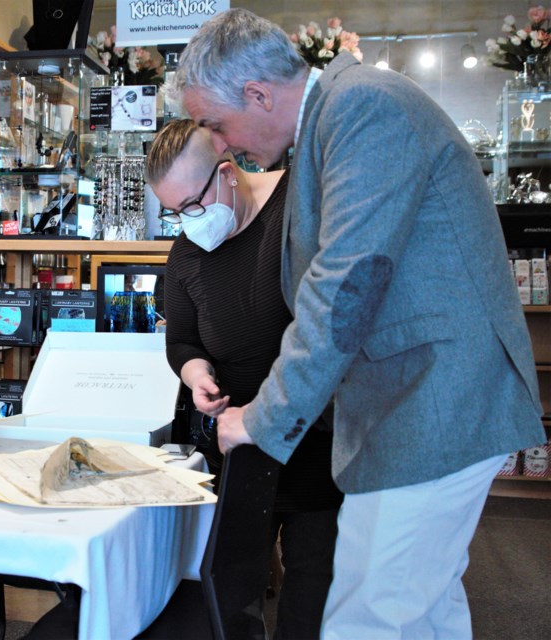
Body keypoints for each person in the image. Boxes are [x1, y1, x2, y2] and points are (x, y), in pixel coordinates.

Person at [169, 8, 546, 638]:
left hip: (434, 402)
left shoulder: (363, 108)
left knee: (370, 618)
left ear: (258, 93)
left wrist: (261, 419)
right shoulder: (338, 118)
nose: (222, 142)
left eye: (216, 123)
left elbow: (345, 287)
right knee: (422, 612)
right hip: (413, 404)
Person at [146, 118, 342, 639]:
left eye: (192, 205)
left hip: (316, 443)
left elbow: (330, 327)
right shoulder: (188, 250)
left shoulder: (300, 209)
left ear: (227, 173)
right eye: (173, 213)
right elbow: (181, 341)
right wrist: (196, 374)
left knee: (313, 597)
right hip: (237, 453)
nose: (188, 221)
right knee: (232, 597)